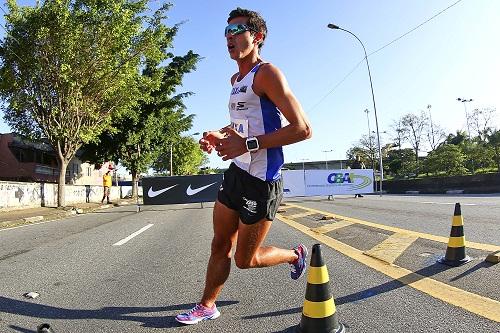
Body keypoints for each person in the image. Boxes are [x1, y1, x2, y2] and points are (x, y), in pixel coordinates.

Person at [175, 7, 312, 325]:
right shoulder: (236, 79)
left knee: (245, 260)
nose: (229, 37)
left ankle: (294, 254)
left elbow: (303, 129)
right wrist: (218, 134)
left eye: (237, 31)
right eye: (226, 32)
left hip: (262, 180)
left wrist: (248, 144)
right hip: (236, 172)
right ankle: (207, 305)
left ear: (258, 37)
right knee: (220, 243)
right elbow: (241, 123)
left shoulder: (268, 73)